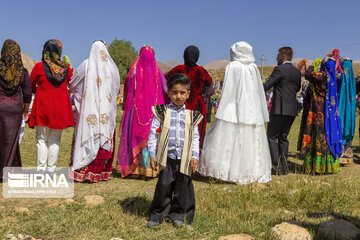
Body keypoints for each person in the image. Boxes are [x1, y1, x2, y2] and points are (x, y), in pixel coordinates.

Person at [198, 42, 271, 184]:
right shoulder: (254, 67)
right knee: (250, 139)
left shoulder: (233, 66)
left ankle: (226, 172)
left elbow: (229, 89)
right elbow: (258, 91)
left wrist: (223, 107)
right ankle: (251, 172)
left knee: (230, 139)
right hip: (252, 109)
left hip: (233, 107)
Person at [147, 73, 202, 228]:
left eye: (182, 92)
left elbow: (195, 137)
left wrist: (195, 156)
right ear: (169, 93)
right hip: (167, 157)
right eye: (174, 92)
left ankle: (179, 214)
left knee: (182, 187)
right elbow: (152, 133)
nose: (178, 96)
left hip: (184, 159)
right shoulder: (162, 112)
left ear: (188, 94)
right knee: (164, 185)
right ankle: (158, 214)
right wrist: (152, 154)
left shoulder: (192, 116)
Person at [69, 41, 120, 183]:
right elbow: (117, 90)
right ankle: (101, 172)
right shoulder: (112, 68)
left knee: (88, 133)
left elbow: (73, 83)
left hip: (89, 110)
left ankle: (85, 171)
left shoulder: (86, 64)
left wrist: (84, 96)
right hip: (106, 112)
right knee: (104, 135)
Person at [117, 46, 168, 178]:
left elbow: (127, 88)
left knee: (133, 136)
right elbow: (165, 89)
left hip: (134, 112)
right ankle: (148, 169)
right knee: (151, 137)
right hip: (153, 112)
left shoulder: (133, 70)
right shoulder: (157, 72)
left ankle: (132, 168)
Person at [28, 39, 74, 172]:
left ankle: (41, 170)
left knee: (41, 140)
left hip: (42, 107)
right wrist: (69, 66)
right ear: (59, 52)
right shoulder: (65, 69)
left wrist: (40, 92)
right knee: (54, 140)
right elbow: (72, 81)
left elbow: (31, 86)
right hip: (60, 110)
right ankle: (51, 170)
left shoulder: (38, 67)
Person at [297, 55, 341, 174]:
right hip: (326, 111)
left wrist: (311, 66)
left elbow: (308, 75)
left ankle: (316, 166)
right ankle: (328, 166)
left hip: (317, 109)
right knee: (324, 136)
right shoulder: (332, 77)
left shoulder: (323, 75)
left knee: (316, 133)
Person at [166, 46, 212, 150]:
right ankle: (196, 154)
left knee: (180, 128)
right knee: (197, 132)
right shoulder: (201, 71)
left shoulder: (179, 69)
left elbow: (166, 77)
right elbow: (209, 82)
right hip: (198, 105)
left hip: (182, 103)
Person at [263, 47, 301, 175]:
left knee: (271, 137)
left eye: (278, 55)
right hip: (292, 110)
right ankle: (284, 167)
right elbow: (297, 89)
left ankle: (276, 166)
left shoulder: (279, 69)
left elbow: (267, 85)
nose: (276, 58)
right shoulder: (296, 72)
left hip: (279, 109)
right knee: (284, 138)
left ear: (283, 56)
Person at [0, 39, 32, 179]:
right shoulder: (22, 72)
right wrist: (25, 111)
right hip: (15, 109)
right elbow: (27, 94)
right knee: (11, 140)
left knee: (3, 139)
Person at [338, 57, 356, 164]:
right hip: (349, 107)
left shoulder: (340, 77)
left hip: (342, 106)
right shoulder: (353, 82)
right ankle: (347, 154)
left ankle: (341, 154)